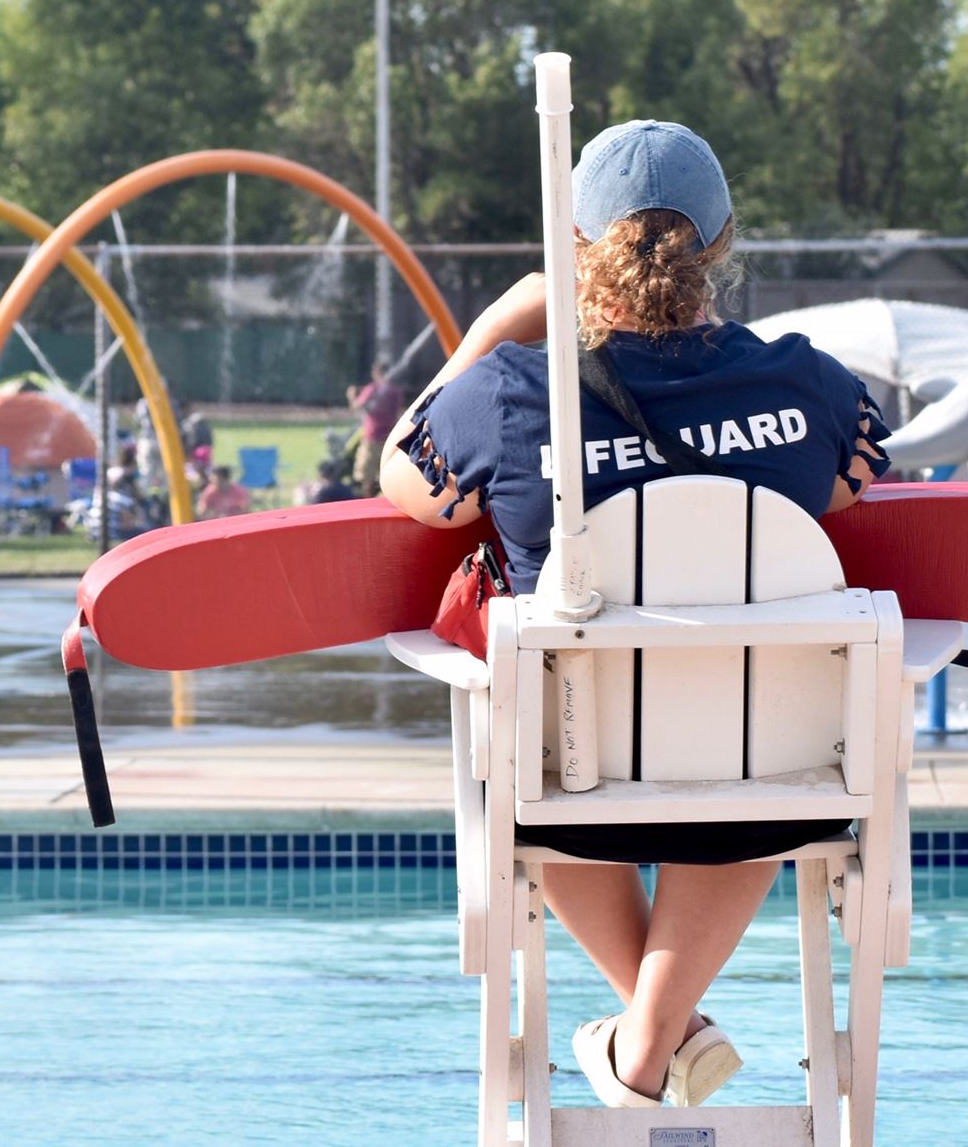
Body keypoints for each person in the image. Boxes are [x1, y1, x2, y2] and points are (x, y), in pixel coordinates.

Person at [383, 119, 888, 1111]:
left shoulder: (513, 392)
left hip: (564, 782)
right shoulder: (805, 382)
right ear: (723, 241)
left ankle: (651, 1047)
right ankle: (649, 1047)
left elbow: (404, 473)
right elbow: (847, 487)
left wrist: (497, 322)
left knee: (523, 733)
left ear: (576, 250)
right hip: (770, 784)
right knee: (745, 747)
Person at [347, 358, 408, 496]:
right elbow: (397, 412)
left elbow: (356, 407)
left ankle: (366, 500)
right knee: (387, 473)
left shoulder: (372, 389)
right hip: (389, 437)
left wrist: (352, 396)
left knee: (366, 475)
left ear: (376, 373)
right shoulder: (395, 391)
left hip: (372, 437)